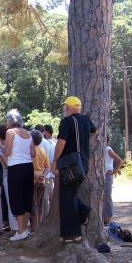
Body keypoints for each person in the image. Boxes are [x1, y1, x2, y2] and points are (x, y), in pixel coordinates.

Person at [52, 96, 97, 243]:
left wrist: (54, 161)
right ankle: (84, 212)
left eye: (65, 106)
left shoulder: (66, 121)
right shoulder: (86, 120)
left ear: (69, 108)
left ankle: (72, 234)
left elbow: (61, 143)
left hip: (70, 165)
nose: (64, 109)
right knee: (70, 195)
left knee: (67, 198)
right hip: (83, 163)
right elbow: (94, 131)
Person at [2, 109, 35, 241]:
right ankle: (25, 229)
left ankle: (20, 231)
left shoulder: (10, 132)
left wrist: (1, 146)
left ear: (10, 121)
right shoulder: (28, 133)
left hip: (15, 167)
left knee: (16, 197)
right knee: (27, 198)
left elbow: (8, 151)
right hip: (28, 167)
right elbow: (33, 153)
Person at [0, 124, 18, 233]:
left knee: (11, 203)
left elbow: (6, 164)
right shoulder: (13, 142)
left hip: (8, 176)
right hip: (17, 173)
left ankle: (15, 228)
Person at [30, 130, 50, 232]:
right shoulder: (42, 151)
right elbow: (47, 167)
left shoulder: (30, 151)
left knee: (33, 205)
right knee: (40, 203)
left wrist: (36, 176)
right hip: (41, 180)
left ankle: (34, 228)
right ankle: (39, 226)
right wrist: (43, 175)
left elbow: (28, 166)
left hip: (32, 180)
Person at [103, 135, 123, 225]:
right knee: (102, 197)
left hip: (107, 175)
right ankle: (104, 217)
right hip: (102, 175)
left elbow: (119, 160)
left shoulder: (108, 149)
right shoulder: (99, 149)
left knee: (107, 197)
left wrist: (114, 171)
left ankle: (108, 219)